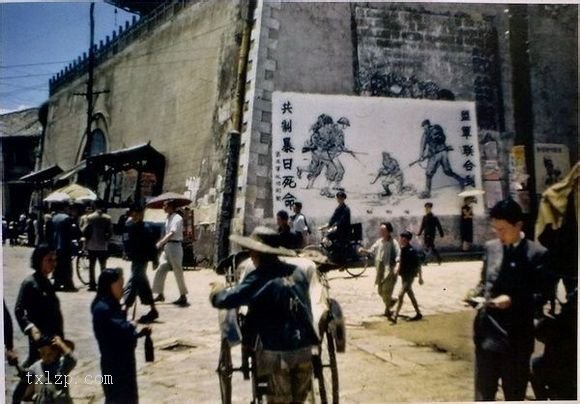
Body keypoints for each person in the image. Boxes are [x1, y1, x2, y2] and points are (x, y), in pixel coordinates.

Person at [210, 227, 318, 403]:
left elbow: (227, 299)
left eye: (252, 251)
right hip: (304, 347)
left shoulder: (259, 276)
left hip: (276, 350)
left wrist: (217, 291)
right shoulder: (297, 272)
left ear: (256, 253)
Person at [470, 198, 548, 401]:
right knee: (483, 394)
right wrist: (474, 294)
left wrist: (514, 300)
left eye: (503, 229)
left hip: (515, 340)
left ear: (518, 225)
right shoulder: (491, 248)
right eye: (495, 229)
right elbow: (484, 282)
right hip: (487, 335)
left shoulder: (536, 254)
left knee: (514, 393)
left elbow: (541, 295)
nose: (498, 234)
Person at [92, 268, 151, 404]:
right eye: (120, 285)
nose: (122, 289)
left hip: (123, 363)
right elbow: (118, 331)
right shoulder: (102, 308)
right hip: (113, 365)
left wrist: (138, 333)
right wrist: (132, 324)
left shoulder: (112, 305)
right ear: (110, 285)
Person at [15, 245, 65, 367]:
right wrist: (30, 327)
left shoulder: (47, 282)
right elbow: (19, 310)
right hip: (40, 341)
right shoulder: (30, 283)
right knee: (35, 371)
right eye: (49, 260)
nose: (53, 264)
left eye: (55, 260)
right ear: (39, 260)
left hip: (53, 339)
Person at [123, 204, 159, 324]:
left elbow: (151, 246)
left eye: (139, 213)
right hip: (135, 259)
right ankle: (153, 310)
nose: (137, 215)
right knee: (142, 283)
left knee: (133, 282)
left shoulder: (146, 228)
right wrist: (126, 252)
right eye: (135, 213)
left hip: (142, 259)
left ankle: (125, 308)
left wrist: (155, 260)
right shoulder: (129, 226)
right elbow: (126, 241)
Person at [359, 222, 400, 319]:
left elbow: (398, 255)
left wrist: (397, 265)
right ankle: (391, 301)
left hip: (389, 269)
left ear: (389, 231)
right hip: (380, 270)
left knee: (386, 290)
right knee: (380, 291)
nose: (381, 232)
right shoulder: (379, 242)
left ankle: (387, 310)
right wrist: (364, 251)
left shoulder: (394, 243)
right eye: (381, 230)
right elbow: (371, 251)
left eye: (383, 230)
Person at [152, 200, 188, 306]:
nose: (163, 207)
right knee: (161, 268)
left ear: (171, 207)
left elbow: (172, 232)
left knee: (178, 271)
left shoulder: (177, 218)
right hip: (168, 246)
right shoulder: (168, 218)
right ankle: (160, 293)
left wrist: (161, 242)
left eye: (165, 205)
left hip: (175, 246)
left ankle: (183, 295)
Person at [418, 120, 466, 198]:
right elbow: (423, 145)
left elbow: (425, 144)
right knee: (438, 172)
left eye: (424, 126)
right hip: (438, 154)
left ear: (427, 125)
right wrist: (422, 155)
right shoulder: (431, 131)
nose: (424, 128)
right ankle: (427, 192)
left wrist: (422, 155)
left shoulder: (431, 130)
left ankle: (461, 180)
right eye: (423, 127)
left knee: (438, 172)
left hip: (439, 153)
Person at [23, 335, 76, 404]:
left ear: (56, 352)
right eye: (43, 354)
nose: (46, 358)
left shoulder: (62, 365)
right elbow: (25, 381)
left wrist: (60, 343)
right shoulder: (36, 366)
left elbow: (72, 359)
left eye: (50, 354)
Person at [391, 231, 423, 324]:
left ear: (406, 239)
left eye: (402, 238)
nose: (400, 240)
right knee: (410, 294)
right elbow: (401, 262)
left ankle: (395, 315)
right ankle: (418, 313)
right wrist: (397, 271)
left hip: (410, 276)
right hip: (404, 276)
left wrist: (420, 277)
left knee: (401, 295)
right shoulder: (403, 249)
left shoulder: (411, 251)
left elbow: (418, 265)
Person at [82, 200, 113, 291]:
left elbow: (85, 230)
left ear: (94, 206)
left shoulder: (90, 217)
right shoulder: (107, 218)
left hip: (92, 245)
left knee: (92, 265)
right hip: (103, 245)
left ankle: (92, 284)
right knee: (103, 266)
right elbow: (110, 232)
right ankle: (103, 284)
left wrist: (86, 241)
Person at [50, 203, 76, 291]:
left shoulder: (54, 217)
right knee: (67, 266)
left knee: (57, 265)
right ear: (66, 208)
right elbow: (69, 233)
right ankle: (68, 284)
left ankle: (57, 283)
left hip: (55, 244)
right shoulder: (66, 218)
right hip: (64, 245)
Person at [321, 191, 351, 263]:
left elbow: (342, 220)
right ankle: (333, 253)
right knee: (326, 239)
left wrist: (335, 226)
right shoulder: (338, 208)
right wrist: (328, 225)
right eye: (337, 198)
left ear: (343, 199)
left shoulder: (346, 209)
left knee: (329, 237)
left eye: (340, 198)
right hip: (338, 229)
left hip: (344, 230)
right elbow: (333, 217)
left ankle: (339, 259)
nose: (338, 199)